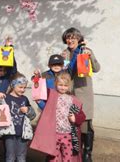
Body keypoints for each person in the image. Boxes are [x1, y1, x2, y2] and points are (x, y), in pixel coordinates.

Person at [62, 27, 100, 162]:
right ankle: (74, 154)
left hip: (84, 93)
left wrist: (91, 56)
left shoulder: (85, 51)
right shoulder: (65, 53)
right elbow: (61, 74)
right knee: (72, 125)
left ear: (79, 39)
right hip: (69, 94)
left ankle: (87, 154)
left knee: (86, 124)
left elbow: (96, 68)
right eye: (68, 37)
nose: (70, 40)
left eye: (73, 37)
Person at [31, 72, 86, 162]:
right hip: (54, 134)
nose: (63, 87)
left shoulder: (73, 99)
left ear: (69, 86)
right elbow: (39, 87)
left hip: (67, 134)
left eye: (65, 85)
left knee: (68, 157)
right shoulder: (51, 94)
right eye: (60, 85)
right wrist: (37, 77)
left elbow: (82, 115)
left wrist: (75, 118)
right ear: (56, 84)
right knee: (53, 157)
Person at [1, 74, 36, 162]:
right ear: (13, 85)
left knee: (21, 156)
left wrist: (28, 110)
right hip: (9, 132)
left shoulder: (25, 99)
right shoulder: (6, 98)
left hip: (23, 133)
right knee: (10, 156)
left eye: (24, 88)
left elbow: (33, 115)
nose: (23, 90)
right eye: (20, 87)